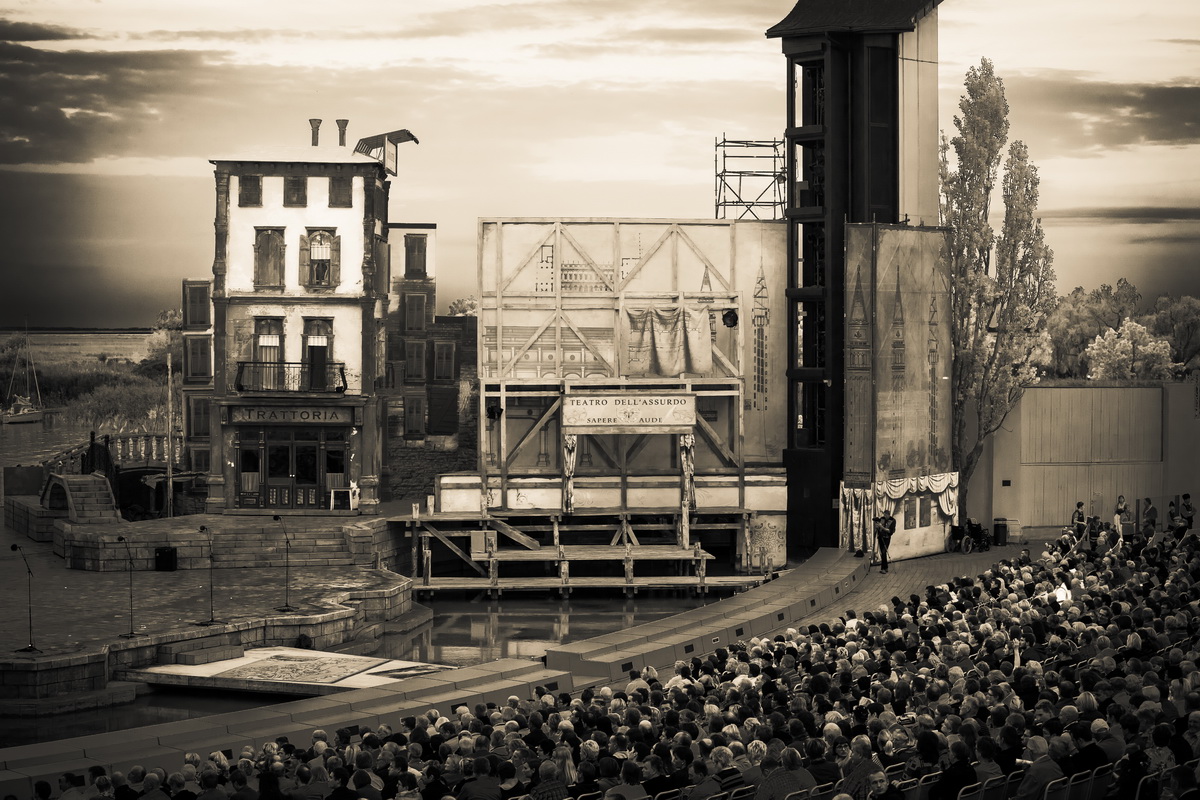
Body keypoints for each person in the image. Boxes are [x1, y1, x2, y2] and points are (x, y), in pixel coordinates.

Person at [875, 509, 895, 574]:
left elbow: (890, 531)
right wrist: (877, 527)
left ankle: (883, 568)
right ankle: (885, 567)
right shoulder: (882, 519)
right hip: (880, 537)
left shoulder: (892, 520)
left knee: (884, 552)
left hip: (887, 538)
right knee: (882, 553)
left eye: (886, 515)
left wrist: (882, 527)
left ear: (889, 515)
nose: (885, 516)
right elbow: (879, 528)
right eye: (884, 515)